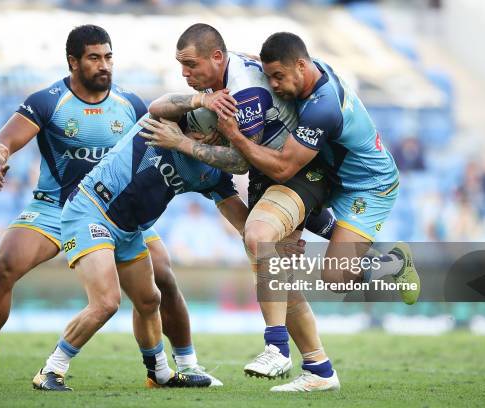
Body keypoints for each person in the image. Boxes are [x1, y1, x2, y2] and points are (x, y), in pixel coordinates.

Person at [0, 24, 220, 388]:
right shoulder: (47, 101)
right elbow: (3, 141)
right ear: (73, 61)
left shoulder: (131, 104)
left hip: (118, 210)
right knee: (5, 266)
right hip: (55, 208)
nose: (104, 65)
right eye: (94, 58)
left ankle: (186, 364)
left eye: (108, 57)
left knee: (163, 279)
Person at [208, 31, 421, 392]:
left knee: (335, 276)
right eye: (269, 76)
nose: (274, 85)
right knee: (280, 264)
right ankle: (317, 371)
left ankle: (393, 263)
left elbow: (281, 169)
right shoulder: (306, 73)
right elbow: (257, 63)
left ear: (302, 66)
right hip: (329, 174)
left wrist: (236, 136)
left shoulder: (322, 107)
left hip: (367, 185)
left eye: (278, 77)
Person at [142, 23, 340, 392]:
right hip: (273, 178)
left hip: (298, 171)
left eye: (190, 65)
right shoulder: (212, 91)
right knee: (279, 278)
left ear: (217, 58)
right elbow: (156, 108)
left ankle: (276, 347)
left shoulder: (245, 90)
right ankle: (320, 369)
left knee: (259, 235)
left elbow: (240, 161)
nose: (184, 73)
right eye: (180, 65)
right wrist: (199, 102)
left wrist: (184, 144)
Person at [34, 113, 250, 390]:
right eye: (217, 134)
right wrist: (202, 100)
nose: (220, 142)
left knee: (149, 301)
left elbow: (240, 219)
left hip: (129, 230)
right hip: (91, 211)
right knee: (106, 302)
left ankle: (159, 373)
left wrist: (266, 237)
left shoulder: (213, 172)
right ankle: (51, 370)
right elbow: (164, 104)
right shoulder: (163, 124)